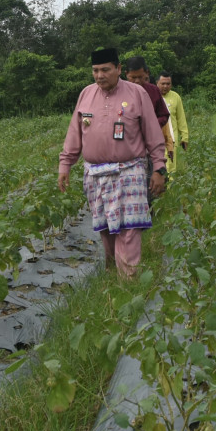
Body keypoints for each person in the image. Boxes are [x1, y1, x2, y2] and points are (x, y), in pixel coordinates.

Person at [59, 48, 167, 278]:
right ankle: (110, 272)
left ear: (118, 69)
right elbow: (74, 133)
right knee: (106, 229)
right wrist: (65, 164)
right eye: (95, 71)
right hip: (95, 174)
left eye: (105, 70)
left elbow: (153, 134)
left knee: (128, 228)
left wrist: (159, 168)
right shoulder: (86, 94)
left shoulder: (138, 94)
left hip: (130, 171)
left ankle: (128, 280)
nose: (99, 75)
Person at [124, 56, 174, 171]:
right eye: (133, 77)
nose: (137, 81)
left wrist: (151, 125)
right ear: (126, 74)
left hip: (150, 148)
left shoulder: (153, 90)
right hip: (127, 149)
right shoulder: (118, 92)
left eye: (140, 77)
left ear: (147, 73)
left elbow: (164, 114)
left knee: (152, 182)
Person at [155, 72, 188, 172]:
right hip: (155, 140)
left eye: (168, 84)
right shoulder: (152, 96)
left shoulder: (175, 97)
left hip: (172, 140)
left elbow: (181, 118)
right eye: (163, 83)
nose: (165, 86)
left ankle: (169, 187)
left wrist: (185, 137)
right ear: (157, 83)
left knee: (170, 169)